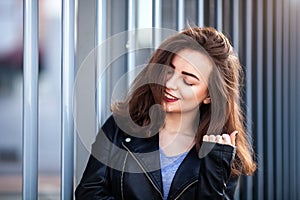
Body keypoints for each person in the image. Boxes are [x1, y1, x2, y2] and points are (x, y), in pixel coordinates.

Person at [75, 26, 256, 199]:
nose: (169, 84)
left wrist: (215, 168)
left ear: (210, 95)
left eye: (187, 81)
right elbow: (88, 193)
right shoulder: (119, 128)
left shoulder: (222, 152)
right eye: (169, 71)